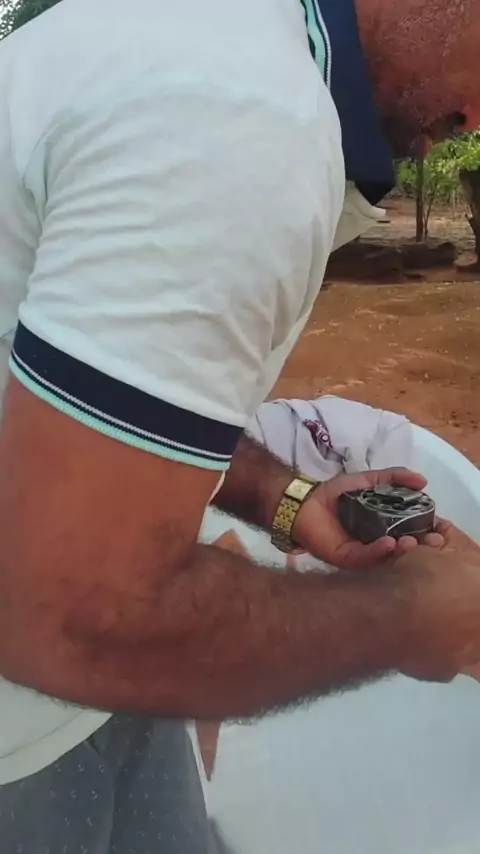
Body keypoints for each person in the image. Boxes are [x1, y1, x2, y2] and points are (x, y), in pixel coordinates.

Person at [0, 0, 480, 851]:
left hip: (98, 687)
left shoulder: (207, 42)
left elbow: (110, 418)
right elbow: (67, 614)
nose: (474, 118)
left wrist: (287, 497)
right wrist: (406, 618)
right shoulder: (244, 116)